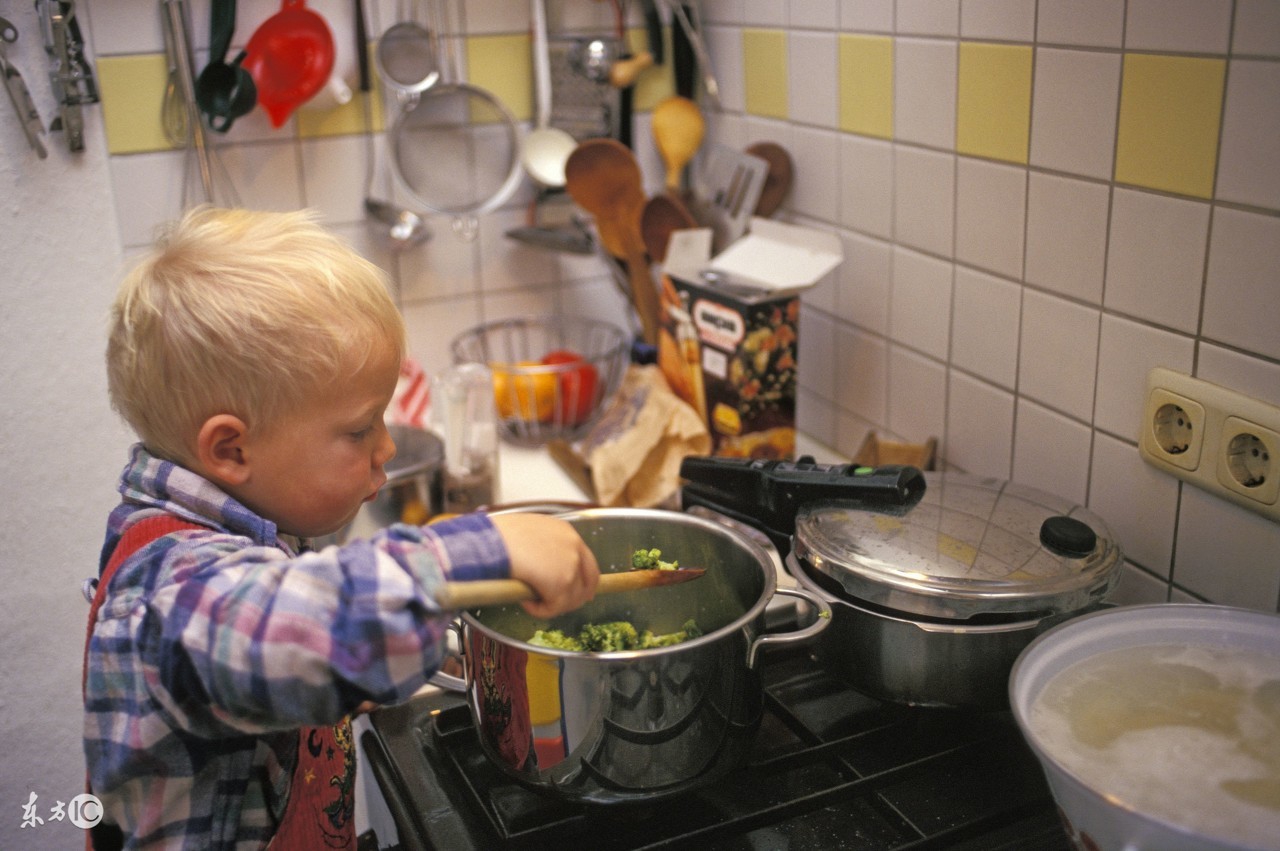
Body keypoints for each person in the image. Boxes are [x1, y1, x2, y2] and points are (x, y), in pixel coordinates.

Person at [85, 206, 600, 849]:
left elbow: (310, 607)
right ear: (231, 451)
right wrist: (475, 553)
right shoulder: (165, 587)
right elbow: (287, 622)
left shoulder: (247, 521)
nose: (386, 447)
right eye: (360, 429)